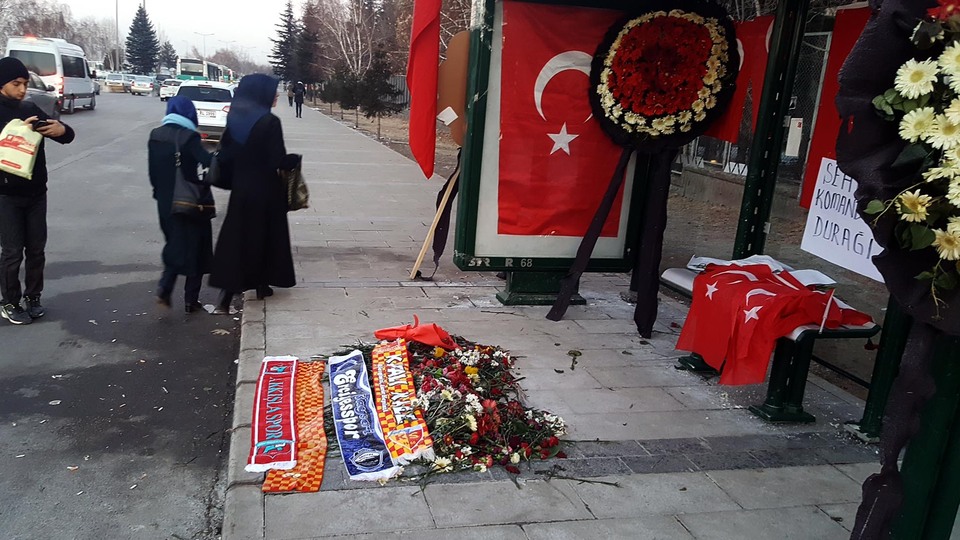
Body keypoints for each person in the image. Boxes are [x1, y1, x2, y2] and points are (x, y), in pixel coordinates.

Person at [209, 74, 295, 314]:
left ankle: (228, 298)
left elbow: (225, 157)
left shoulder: (234, 119)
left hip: (241, 191)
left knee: (238, 241)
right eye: (272, 91)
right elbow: (277, 160)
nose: (276, 95)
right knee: (264, 238)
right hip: (266, 191)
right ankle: (258, 285)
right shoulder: (269, 122)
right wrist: (293, 162)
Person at [0, 57, 75, 325]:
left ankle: (33, 297)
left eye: (24, 83)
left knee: (36, 249)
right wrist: (16, 133)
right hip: (6, 195)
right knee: (11, 252)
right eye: (15, 84)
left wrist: (62, 128)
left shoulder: (30, 107)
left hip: (35, 193)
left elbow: (65, 135)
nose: (21, 89)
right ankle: (9, 301)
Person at [148, 96, 214, 313]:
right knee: (196, 248)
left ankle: (165, 288)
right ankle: (190, 300)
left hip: (164, 202)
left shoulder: (155, 135)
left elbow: (153, 173)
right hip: (188, 202)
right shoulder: (189, 137)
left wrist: (160, 194)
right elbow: (208, 163)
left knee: (175, 245)